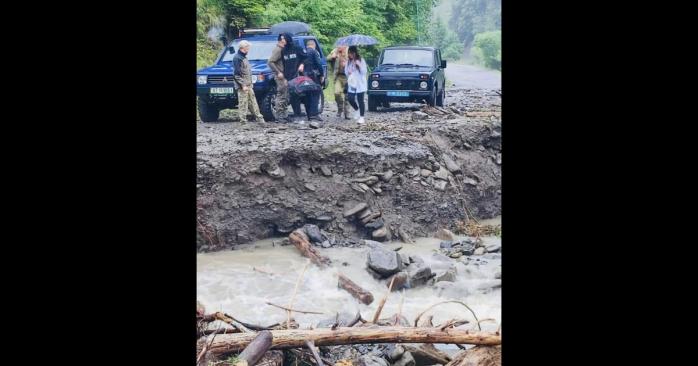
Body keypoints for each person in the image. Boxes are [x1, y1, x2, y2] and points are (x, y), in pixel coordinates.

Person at [232, 40, 265, 123]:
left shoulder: (243, 57)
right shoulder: (237, 58)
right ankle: (243, 122)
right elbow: (236, 74)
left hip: (248, 85)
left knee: (253, 102)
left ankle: (260, 119)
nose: (248, 50)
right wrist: (243, 85)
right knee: (243, 104)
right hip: (243, 86)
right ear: (243, 48)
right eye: (247, 48)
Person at [279, 33, 307, 121]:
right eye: (281, 39)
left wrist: (302, 64)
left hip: (298, 75)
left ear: (288, 39)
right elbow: (284, 63)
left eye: (283, 38)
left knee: (300, 94)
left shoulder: (297, 48)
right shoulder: (283, 51)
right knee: (292, 95)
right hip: (288, 76)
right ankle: (296, 113)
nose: (282, 40)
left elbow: (306, 57)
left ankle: (308, 113)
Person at [267, 34, 289, 122]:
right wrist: (278, 72)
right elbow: (270, 62)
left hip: (284, 75)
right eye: (284, 39)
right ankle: (279, 116)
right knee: (281, 95)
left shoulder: (282, 49)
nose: (286, 41)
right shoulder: (278, 50)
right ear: (280, 40)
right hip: (280, 76)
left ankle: (284, 114)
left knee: (285, 95)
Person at [302, 39, 324, 121]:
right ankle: (314, 114)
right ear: (313, 45)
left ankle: (309, 115)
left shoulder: (303, 52)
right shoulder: (314, 52)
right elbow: (319, 64)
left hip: (304, 77)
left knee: (307, 95)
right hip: (313, 76)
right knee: (315, 94)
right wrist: (322, 75)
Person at [345, 46, 368, 124]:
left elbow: (364, 72)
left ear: (354, 53)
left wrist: (359, 65)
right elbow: (346, 71)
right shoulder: (348, 61)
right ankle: (356, 109)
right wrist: (349, 71)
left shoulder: (361, 60)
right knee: (350, 98)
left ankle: (362, 117)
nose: (349, 55)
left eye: (350, 53)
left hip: (360, 83)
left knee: (360, 100)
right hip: (352, 83)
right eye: (348, 53)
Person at [327, 46, 351, 120]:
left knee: (347, 96)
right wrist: (332, 57)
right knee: (337, 93)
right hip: (338, 76)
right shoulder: (335, 51)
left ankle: (347, 113)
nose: (339, 47)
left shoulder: (349, 51)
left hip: (348, 77)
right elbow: (327, 58)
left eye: (341, 45)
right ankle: (340, 108)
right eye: (339, 45)